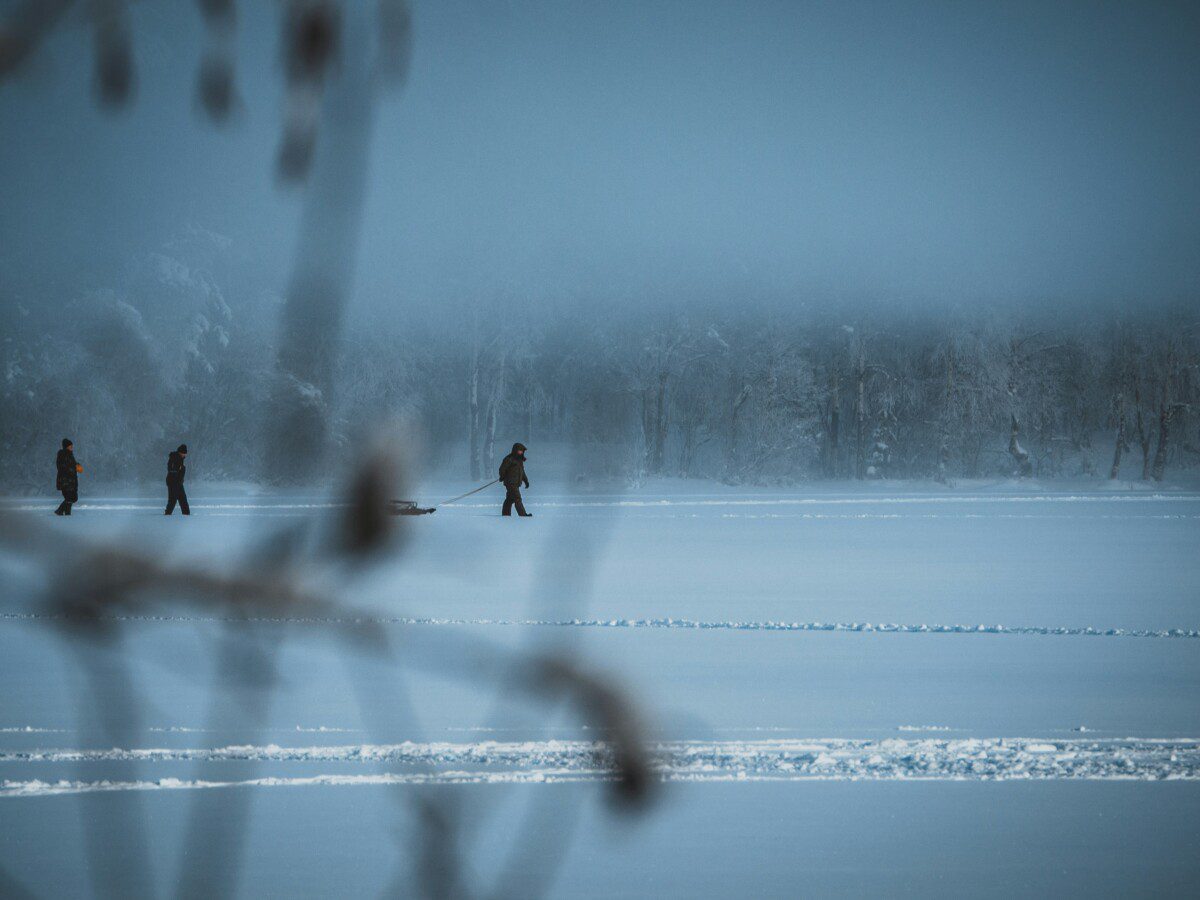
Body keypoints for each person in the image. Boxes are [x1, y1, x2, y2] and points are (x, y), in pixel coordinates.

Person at [498, 442, 532, 517]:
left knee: (510, 499)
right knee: (517, 498)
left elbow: (522, 472)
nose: (521, 452)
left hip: (516, 483)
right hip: (510, 483)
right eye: (520, 451)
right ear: (515, 450)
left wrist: (526, 481)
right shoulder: (509, 459)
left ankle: (505, 515)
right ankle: (523, 515)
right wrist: (502, 476)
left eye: (522, 451)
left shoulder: (519, 460)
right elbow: (502, 469)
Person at [54, 438, 81, 516]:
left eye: (72, 445)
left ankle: (67, 514)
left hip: (71, 480)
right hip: (65, 481)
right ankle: (60, 511)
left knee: (72, 498)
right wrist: (72, 468)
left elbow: (72, 465)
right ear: (66, 446)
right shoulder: (62, 454)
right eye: (70, 446)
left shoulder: (70, 455)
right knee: (70, 498)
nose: (72, 447)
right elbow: (62, 467)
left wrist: (77, 465)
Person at [165, 444, 190, 516]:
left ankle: (186, 515)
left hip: (179, 483)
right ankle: (167, 515)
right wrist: (179, 470)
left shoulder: (180, 459)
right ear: (180, 452)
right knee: (172, 500)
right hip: (173, 482)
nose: (185, 455)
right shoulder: (174, 457)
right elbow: (171, 469)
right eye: (184, 453)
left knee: (183, 500)